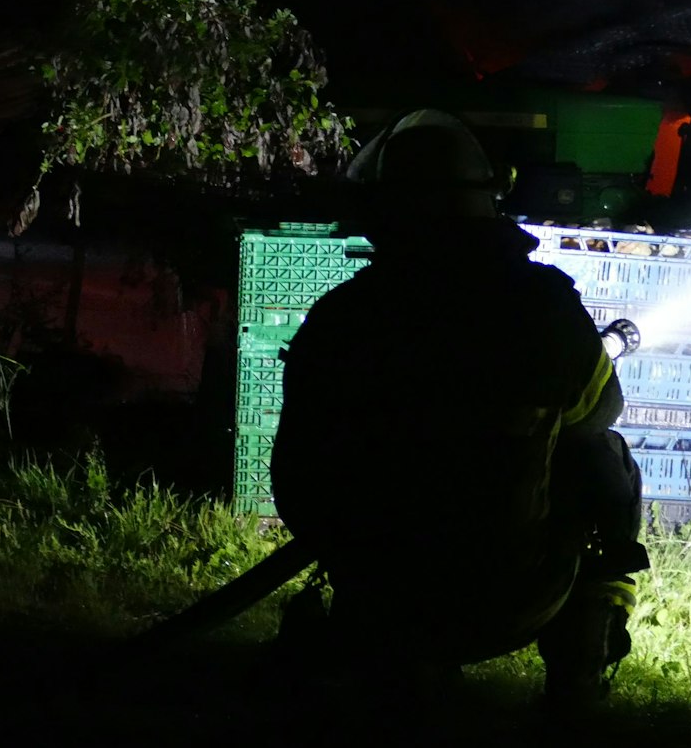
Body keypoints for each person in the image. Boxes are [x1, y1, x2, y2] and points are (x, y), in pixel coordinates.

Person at [270, 109, 647, 718]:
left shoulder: (347, 316)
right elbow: (601, 412)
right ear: (485, 198)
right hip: (521, 594)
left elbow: (296, 476)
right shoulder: (544, 307)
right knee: (605, 454)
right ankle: (585, 639)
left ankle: (398, 671)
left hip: (381, 600)